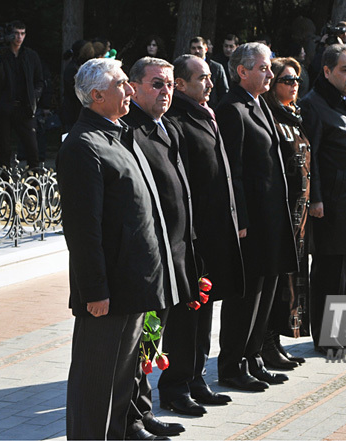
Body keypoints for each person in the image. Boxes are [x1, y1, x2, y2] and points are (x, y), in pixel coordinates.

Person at [58, 57, 170, 440]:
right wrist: (95, 291)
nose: (130, 89)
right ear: (97, 95)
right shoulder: (83, 145)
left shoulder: (117, 134)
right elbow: (83, 229)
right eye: (122, 84)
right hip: (108, 292)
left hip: (133, 284)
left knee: (121, 384)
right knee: (95, 387)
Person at [122, 57, 202, 426]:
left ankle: (147, 407)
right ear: (134, 87)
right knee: (142, 343)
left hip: (177, 251)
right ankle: (136, 415)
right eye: (156, 84)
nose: (165, 91)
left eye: (170, 84)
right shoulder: (131, 131)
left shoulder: (165, 126)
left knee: (156, 338)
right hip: (152, 258)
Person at [216, 42, 297, 391]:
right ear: (242, 71)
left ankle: (253, 358)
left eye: (269, 68)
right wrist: (241, 220)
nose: (270, 74)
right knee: (245, 297)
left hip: (272, 219)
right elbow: (231, 171)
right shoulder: (232, 109)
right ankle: (232, 366)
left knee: (265, 293)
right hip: (252, 223)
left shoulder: (260, 103)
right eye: (263, 68)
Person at [166, 53, 243, 406]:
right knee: (186, 315)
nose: (210, 84)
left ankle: (196, 378)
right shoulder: (176, 120)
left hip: (211, 233)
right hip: (191, 236)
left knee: (205, 308)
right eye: (201, 78)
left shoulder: (203, 113)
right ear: (179, 84)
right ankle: (176, 385)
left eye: (210, 77)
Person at [298, 44, 346, 355]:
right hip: (330, 205)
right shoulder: (314, 105)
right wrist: (315, 198)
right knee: (329, 274)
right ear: (328, 71)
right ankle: (326, 337)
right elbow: (311, 157)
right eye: (345, 70)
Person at [261, 57, 311, 370]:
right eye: (286, 80)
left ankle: (277, 341)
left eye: (296, 81)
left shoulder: (294, 114)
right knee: (276, 284)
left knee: (292, 281)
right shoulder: (269, 116)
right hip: (279, 213)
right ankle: (265, 344)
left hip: (300, 215)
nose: (293, 86)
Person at [0, 20, 43, 169]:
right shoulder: (3, 54)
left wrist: (34, 97)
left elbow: (39, 80)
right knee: (4, 148)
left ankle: (34, 184)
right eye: (16, 34)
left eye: (22, 33)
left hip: (24, 107)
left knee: (32, 148)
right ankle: (5, 185)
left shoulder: (31, 55)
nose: (19, 37)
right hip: (5, 107)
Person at [189, 36, 229, 109]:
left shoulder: (217, 68)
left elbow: (224, 92)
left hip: (212, 109)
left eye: (199, 48)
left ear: (206, 49)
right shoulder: (186, 68)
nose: (196, 51)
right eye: (193, 48)